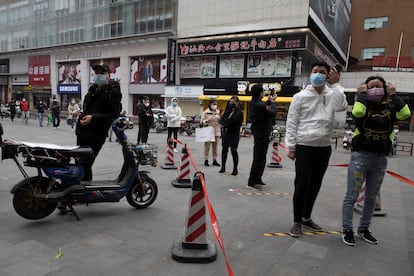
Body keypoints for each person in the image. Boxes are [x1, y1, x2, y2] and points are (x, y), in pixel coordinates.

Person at [341, 76, 411, 246]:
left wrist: (394, 95)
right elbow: (357, 113)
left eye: (378, 87)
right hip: (361, 156)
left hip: (380, 158)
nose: (375, 89)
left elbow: (406, 114)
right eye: (371, 87)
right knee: (352, 195)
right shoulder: (363, 104)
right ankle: (347, 229)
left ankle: (364, 228)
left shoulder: (390, 107)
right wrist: (362, 95)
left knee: (371, 197)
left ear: (385, 90)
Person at [285, 61, 347, 237]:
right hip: (305, 146)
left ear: (328, 75)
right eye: (314, 71)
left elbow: (341, 106)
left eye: (321, 71)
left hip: (324, 147)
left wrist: (336, 85)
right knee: (302, 185)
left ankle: (306, 217)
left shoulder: (332, 93)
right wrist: (291, 147)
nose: (317, 74)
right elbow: (291, 122)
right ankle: (297, 221)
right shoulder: (300, 96)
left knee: (315, 185)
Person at [76, 63, 122, 181]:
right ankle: (78, 189)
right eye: (96, 73)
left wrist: (93, 118)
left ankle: (84, 191)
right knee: (79, 163)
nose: (98, 76)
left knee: (86, 163)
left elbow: (114, 114)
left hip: (96, 134)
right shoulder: (93, 89)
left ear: (108, 75)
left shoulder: (113, 92)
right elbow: (87, 109)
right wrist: (82, 115)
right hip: (83, 132)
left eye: (102, 73)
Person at [247, 84, 277, 191]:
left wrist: (269, 102)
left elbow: (264, 108)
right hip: (262, 133)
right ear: (260, 93)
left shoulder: (253, 103)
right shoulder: (258, 105)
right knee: (258, 158)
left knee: (261, 158)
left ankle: (258, 178)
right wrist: (273, 102)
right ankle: (252, 181)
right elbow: (271, 113)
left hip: (260, 132)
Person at [219, 96, 243, 175]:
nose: (231, 104)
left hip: (234, 133)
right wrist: (226, 122)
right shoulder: (228, 111)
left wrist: (226, 123)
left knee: (234, 151)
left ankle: (235, 169)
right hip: (226, 133)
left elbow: (234, 123)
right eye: (230, 102)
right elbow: (222, 120)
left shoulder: (239, 113)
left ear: (237, 103)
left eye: (233, 102)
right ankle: (223, 167)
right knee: (224, 150)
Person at [201, 100, 222, 166]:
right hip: (208, 131)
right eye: (213, 104)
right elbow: (201, 122)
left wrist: (220, 117)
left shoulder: (218, 112)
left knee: (215, 147)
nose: (215, 105)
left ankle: (214, 159)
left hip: (216, 131)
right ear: (210, 105)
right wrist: (206, 121)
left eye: (216, 104)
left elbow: (221, 121)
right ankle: (206, 159)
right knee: (207, 146)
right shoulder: (205, 112)